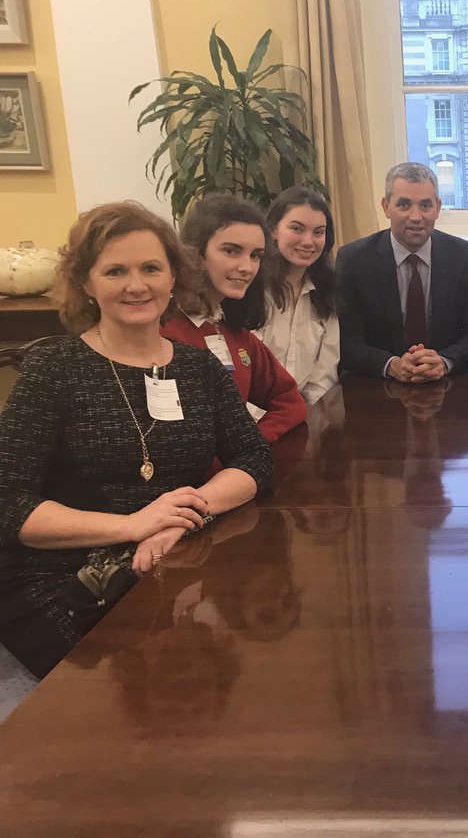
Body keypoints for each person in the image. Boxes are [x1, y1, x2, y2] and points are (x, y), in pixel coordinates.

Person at [0, 202, 272, 679]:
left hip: (171, 556)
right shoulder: (54, 370)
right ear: (86, 282)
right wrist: (133, 526)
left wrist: (185, 516)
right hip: (62, 576)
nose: (137, 285)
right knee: (119, 685)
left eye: (151, 268)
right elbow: (9, 504)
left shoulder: (197, 367)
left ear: (174, 279)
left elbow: (253, 458)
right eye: (115, 271)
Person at [162, 193, 307, 444]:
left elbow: (291, 402)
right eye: (231, 251)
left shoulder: (235, 333)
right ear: (196, 252)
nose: (247, 267)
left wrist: (248, 446)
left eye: (255, 255)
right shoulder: (162, 333)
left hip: (233, 477)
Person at [336, 162, 468, 381]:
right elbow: (346, 340)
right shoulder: (354, 260)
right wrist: (392, 365)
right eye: (404, 205)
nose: (416, 216)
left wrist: (443, 362)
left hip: (449, 383)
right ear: (386, 206)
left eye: (425, 205)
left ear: (438, 207)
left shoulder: (467, 258)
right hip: (377, 385)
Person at [257, 186, 340, 406]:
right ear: (273, 230)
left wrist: (301, 417)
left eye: (318, 232)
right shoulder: (252, 290)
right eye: (297, 229)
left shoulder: (326, 292)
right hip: (253, 423)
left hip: (305, 421)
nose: (308, 241)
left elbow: (324, 375)